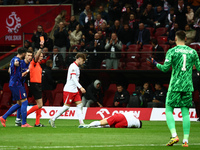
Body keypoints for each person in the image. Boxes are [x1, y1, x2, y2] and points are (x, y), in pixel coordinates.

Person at [147, 30, 200, 147]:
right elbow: (199, 68)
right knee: (185, 112)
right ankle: (185, 140)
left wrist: (154, 62)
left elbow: (165, 68)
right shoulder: (193, 52)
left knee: (169, 109)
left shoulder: (172, 51)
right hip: (187, 85)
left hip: (175, 85)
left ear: (175, 39)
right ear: (185, 39)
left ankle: (174, 135)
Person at [49, 53, 86, 128]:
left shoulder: (77, 67)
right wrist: (81, 87)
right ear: (79, 58)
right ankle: (53, 118)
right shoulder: (73, 66)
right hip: (69, 90)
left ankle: (81, 123)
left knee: (80, 105)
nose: (84, 62)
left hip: (74, 90)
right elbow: (73, 78)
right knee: (66, 107)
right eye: (83, 60)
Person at [0, 47, 32, 127]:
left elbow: (9, 70)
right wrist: (16, 64)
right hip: (16, 83)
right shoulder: (16, 59)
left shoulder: (13, 59)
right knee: (25, 101)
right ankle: (24, 123)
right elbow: (16, 62)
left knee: (19, 103)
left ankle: (3, 117)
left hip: (13, 83)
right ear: (24, 53)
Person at [26, 45, 45, 127]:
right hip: (35, 84)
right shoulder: (34, 62)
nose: (41, 57)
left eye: (42, 56)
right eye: (40, 56)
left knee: (39, 105)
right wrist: (40, 48)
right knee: (40, 105)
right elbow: (36, 57)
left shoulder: (38, 64)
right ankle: (25, 115)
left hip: (38, 84)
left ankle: (37, 123)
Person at [15, 50, 33, 126]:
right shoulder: (20, 63)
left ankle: (18, 119)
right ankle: (21, 121)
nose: (30, 57)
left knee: (20, 102)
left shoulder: (30, 64)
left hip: (22, 84)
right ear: (25, 56)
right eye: (28, 55)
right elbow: (20, 75)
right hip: (16, 83)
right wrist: (28, 70)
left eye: (31, 56)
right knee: (23, 102)